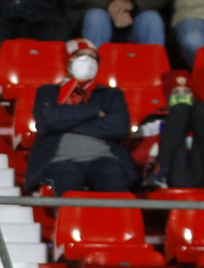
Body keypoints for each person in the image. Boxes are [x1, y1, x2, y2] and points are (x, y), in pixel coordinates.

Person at [23, 40, 137, 195]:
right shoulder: (48, 92)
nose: (89, 61)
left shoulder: (111, 95)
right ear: (69, 59)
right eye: (82, 55)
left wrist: (65, 122)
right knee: (68, 177)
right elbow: (47, 120)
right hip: (60, 160)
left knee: (113, 178)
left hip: (104, 157)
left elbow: (120, 127)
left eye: (93, 58)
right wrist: (94, 111)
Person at [140, 74, 204, 192]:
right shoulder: (154, 120)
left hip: (203, 173)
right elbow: (140, 151)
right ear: (168, 96)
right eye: (176, 92)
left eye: (186, 92)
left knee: (201, 109)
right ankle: (159, 171)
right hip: (172, 174)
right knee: (179, 111)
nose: (182, 96)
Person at [0, 0, 71, 67]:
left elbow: (54, 6)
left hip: (39, 18)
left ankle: (48, 81)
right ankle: (3, 79)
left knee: (59, 27)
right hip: (2, 18)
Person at [71, 0, 169, 46]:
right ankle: (92, 76)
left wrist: (132, 5)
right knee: (96, 17)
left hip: (137, 14)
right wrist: (113, 6)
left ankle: (152, 77)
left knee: (151, 19)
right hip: (97, 12)